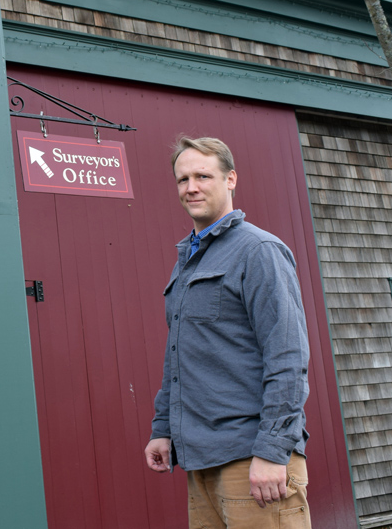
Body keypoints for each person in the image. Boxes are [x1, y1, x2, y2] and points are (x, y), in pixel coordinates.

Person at [144, 136, 311, 528]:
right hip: (200, 461)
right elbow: (179, 355)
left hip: (253, 458)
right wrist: (163, 428)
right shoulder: (187, 260)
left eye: (203, 175)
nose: (191, 187)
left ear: (231, 179)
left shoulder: (259, 251)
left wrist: (272, 451)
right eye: (183, 179)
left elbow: (287, 356)